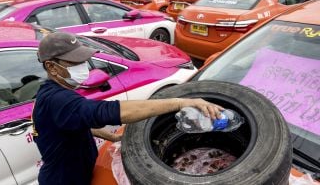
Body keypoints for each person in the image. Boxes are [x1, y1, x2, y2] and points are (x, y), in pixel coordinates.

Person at [32, 32, 224, 185]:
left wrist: (112, 137)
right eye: (75, 62)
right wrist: (180, 102)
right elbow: (109, 112)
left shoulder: (55, 93)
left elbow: (78, 121)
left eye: (83, 60)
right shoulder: (57, 99)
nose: (84, 66)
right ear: (52, 67)